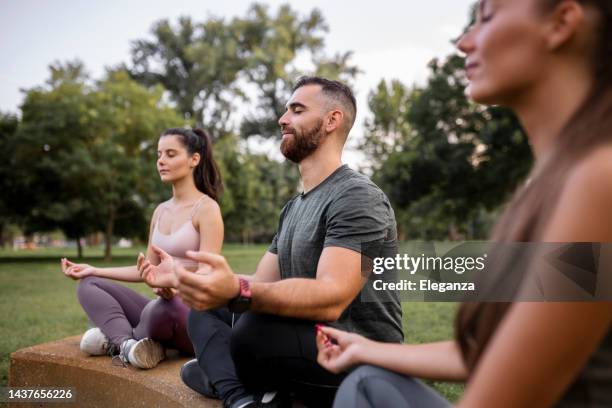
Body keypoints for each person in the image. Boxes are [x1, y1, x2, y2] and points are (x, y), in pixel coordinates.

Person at [315, 0, 612, 407]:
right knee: (366, 379)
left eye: (486, 17)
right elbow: (492, 354)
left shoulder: (599, 180)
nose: (464, 42)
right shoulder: (555, 180)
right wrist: (363, 347)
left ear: (561, 23)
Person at [174, 77, 403, 408]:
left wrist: (239, 292)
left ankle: (227, 376)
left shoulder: (358, 197)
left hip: (359, 358)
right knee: (205, 310)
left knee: (252, 330)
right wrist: (199, 281)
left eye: (297, 110)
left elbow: (332, 299)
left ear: (331, 120)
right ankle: (243, 398)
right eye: (285, 110)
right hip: (305, 339)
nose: (282, 119)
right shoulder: (294, 208)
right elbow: (263, 284)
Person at [60, 127, 223, 369]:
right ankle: (129, 345)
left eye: (170, 154)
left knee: (163, 308)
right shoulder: (160, 211)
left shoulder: (206, 209)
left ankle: (115, 340)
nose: (161, 161)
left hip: (190, 314)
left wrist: (173, 284)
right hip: (160, 305)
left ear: (194, 159)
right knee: (89, 284)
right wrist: (93, 269)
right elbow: (146, 270)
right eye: (159, 154)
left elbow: (209, 276)